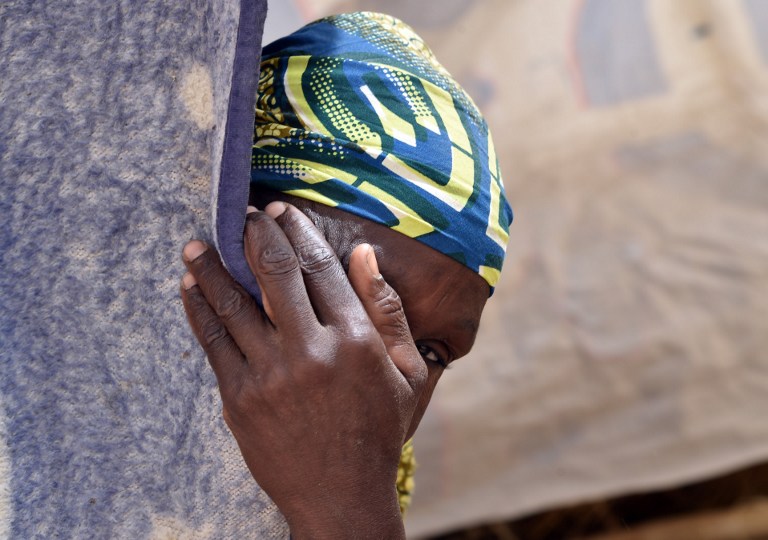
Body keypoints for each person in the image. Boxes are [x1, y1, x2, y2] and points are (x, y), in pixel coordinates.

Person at [180, 12, 512, 539]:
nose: (386, 380)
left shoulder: (378, 496)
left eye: (432, 354)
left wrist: (348, 504)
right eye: (341, 300)